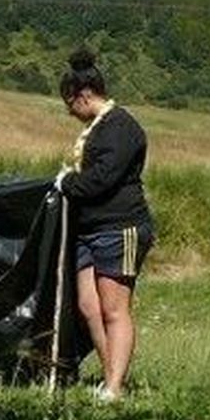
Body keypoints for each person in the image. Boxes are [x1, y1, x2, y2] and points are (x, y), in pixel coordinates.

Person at [54, 49, 154, 401]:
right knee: (88, 306)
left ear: (83, 96)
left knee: (114, 308)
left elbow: (101, 180)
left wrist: (66, 183)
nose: (69, 112)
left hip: (119, 226)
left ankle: (114, 386)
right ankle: (110, 373)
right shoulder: (95, 128)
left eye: (70, 104)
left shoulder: (122, 127)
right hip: (89, 229)